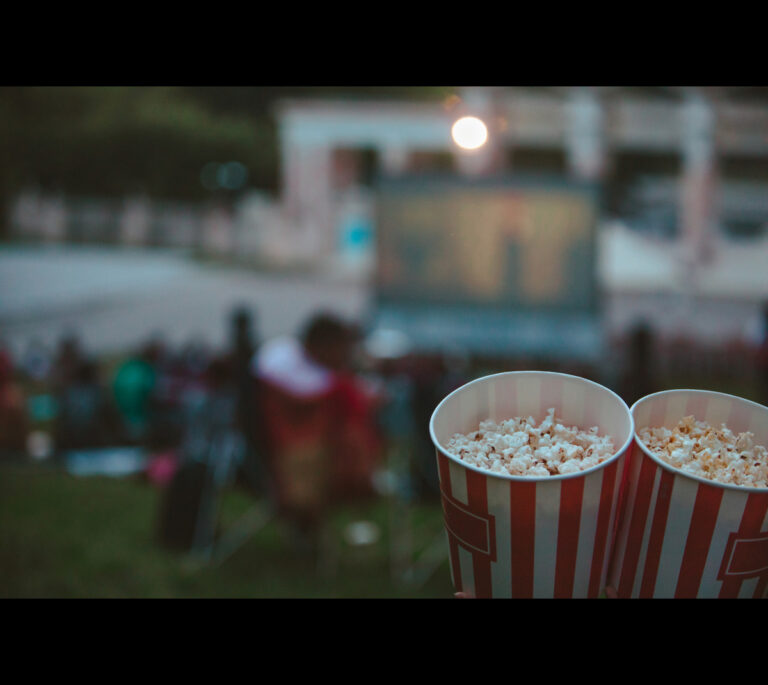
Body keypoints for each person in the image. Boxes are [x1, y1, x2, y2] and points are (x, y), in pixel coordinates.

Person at [254, 313, 383, 553]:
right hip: (291, 459)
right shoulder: (282, 366)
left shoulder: (294, 364)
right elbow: (312, 401)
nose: (345, 356)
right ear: (324, 346)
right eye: (342, 349)